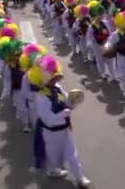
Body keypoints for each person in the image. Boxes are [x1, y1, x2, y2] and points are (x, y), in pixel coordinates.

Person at [33, 56, 91, 187]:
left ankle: (80, 178)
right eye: (52, 78)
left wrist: (72, 101)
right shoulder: (41, 97)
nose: (55, 80)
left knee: (72, 155)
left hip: (64, 130)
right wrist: (63, 113)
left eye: (55, 77)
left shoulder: (57, 87)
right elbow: (48, 119)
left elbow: (66, 102)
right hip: (50, 133)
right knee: (54, 157)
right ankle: (53, 170)